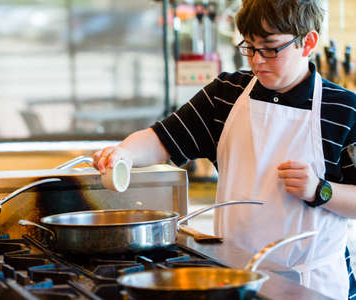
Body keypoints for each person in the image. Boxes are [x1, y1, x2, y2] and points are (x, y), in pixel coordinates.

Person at [92, 0, 356, 299]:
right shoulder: (226, 95)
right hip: (234, 276)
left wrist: (319, 190)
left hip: (313, 285)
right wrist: (124, 153)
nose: (257, 60)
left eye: (270, 49)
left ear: (307, 42)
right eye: (250, 47)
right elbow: (162, 139)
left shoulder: (344, 111)